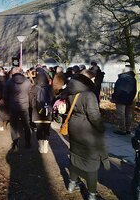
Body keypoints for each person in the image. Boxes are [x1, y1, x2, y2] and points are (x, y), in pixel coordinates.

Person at [61, 69, 109, 200]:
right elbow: (94, 117)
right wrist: (101, 128)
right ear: (88, 80)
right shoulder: (89, 95)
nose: (94, 81)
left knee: (75, 155)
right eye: (93, 79)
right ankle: (92, 195)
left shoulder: (71, 91)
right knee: (91, 162)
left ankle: (71, 184)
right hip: (87, 131)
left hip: (74, 127)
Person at [4, 67, 32, 150]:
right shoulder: (27, 81)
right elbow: (30, 93)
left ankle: (15, 142)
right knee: (26, 124)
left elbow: (5, 95)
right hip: (24, 106)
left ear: (13, 72)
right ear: (21, 72)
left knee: (13, 125)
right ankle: (27, 142)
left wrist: (8, 103)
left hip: (13, 106)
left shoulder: (9, 82)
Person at [30, 71, 54, 153]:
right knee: (47, 129)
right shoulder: (50, 88)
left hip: (37, 113)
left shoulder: (34, 88)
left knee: (39, 129)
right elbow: (52, 99)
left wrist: (34, 106)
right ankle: (46, 147)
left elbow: (30, 100)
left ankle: (40, 147)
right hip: (48, 112)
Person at [111, 66, 137, 135]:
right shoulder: (133, 79)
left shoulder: (122, 78)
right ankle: (128, 129)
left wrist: (114, 97)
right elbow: (134, 90)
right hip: (129, 98)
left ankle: (122, 129)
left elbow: (118, 89)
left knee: (121, 114)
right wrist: (131, 98)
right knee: (128, 114)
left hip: (121, 99)